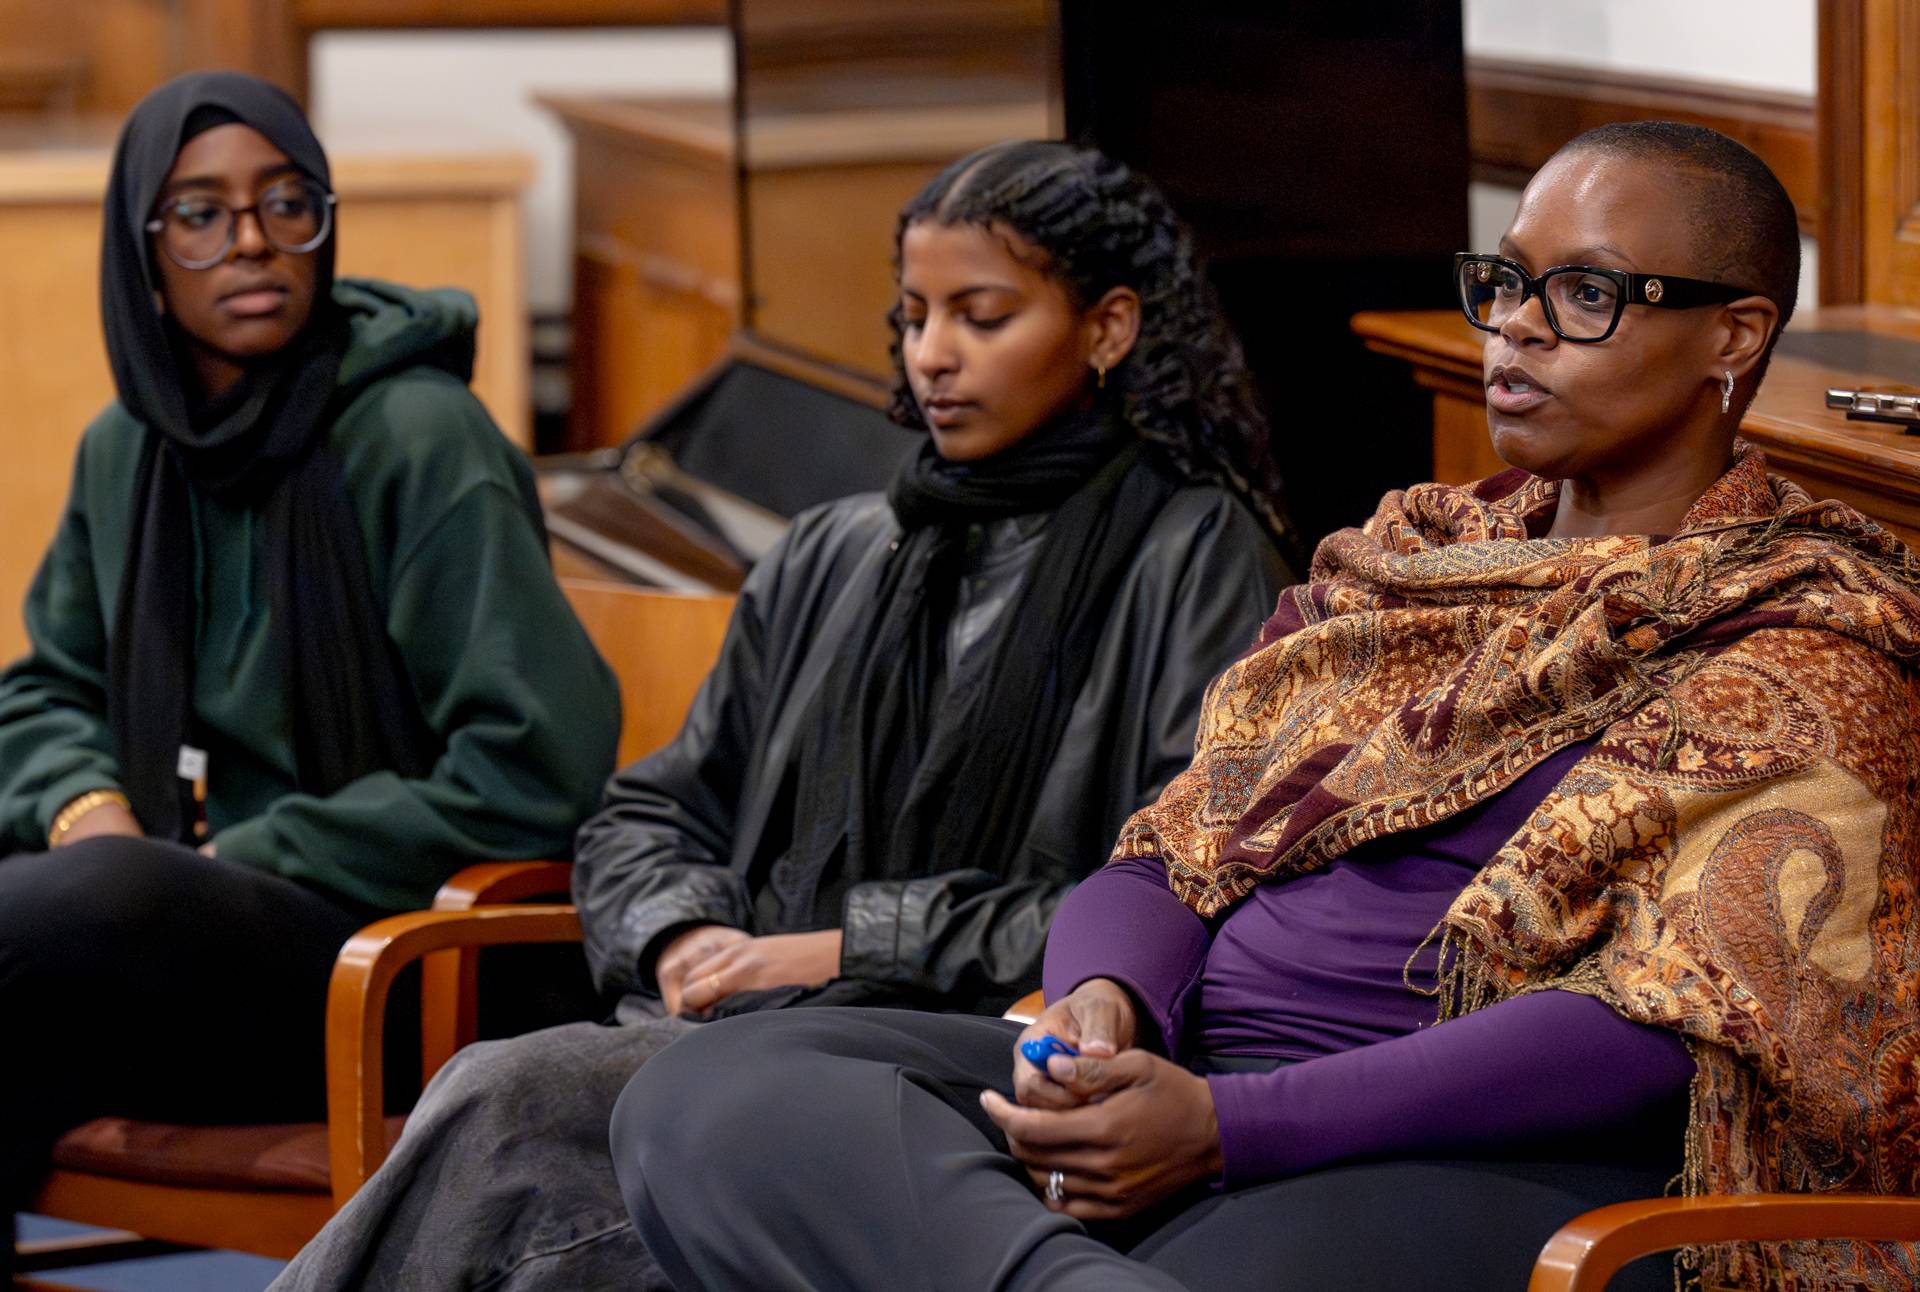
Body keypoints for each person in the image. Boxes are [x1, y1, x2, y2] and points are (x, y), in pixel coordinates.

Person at [612, 123, 1920, 1292]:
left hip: (1460, 1145)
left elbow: (1655, 1034)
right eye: (1507, 280)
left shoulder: (1806, 635)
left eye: (1582, 294)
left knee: (1200, 1255)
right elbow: (1169, 843)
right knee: (719, 1092)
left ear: (1734, 335)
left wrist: (1229, 1131)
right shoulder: (1402, 560)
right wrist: (1100, 1008)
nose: (1513, 326)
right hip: (1182, 1070)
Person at [268, 139, 1299, 1291]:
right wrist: (680, 934)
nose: (934, 355)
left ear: (1107, 328)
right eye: (914, 315)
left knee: (510, 1105)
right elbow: (650, 806)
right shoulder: (835, 547)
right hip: (734, 1029)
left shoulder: (1198, 554)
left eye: (982, 315)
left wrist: (842, 945)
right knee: (517, 1139)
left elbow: (1174, 890)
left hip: (966, 1060)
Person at [0, 71, 619, 1272]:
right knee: (76, 907)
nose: (252, 242)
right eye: (201, 212)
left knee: (94, 902)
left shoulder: (421, 437)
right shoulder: (128, 447)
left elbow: (535, 765)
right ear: (141, 250)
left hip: (381, 967)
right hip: (159, 934)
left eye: (290, 204)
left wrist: (233, 859)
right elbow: (43, 689)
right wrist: (95, 812)